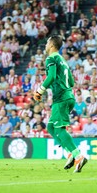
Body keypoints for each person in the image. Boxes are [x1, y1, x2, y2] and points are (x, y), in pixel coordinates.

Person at [34, 35, 88, 173]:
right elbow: (71, 81)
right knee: (51, 127)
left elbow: (51, 76)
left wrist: (40, 90)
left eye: (47, 42)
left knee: (59, 129)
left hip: (61, 98)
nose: (45, 45)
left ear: (51, 45)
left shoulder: (51, 58)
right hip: (69, 96)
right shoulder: (63, 60)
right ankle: (70, 154)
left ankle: (78, 156)